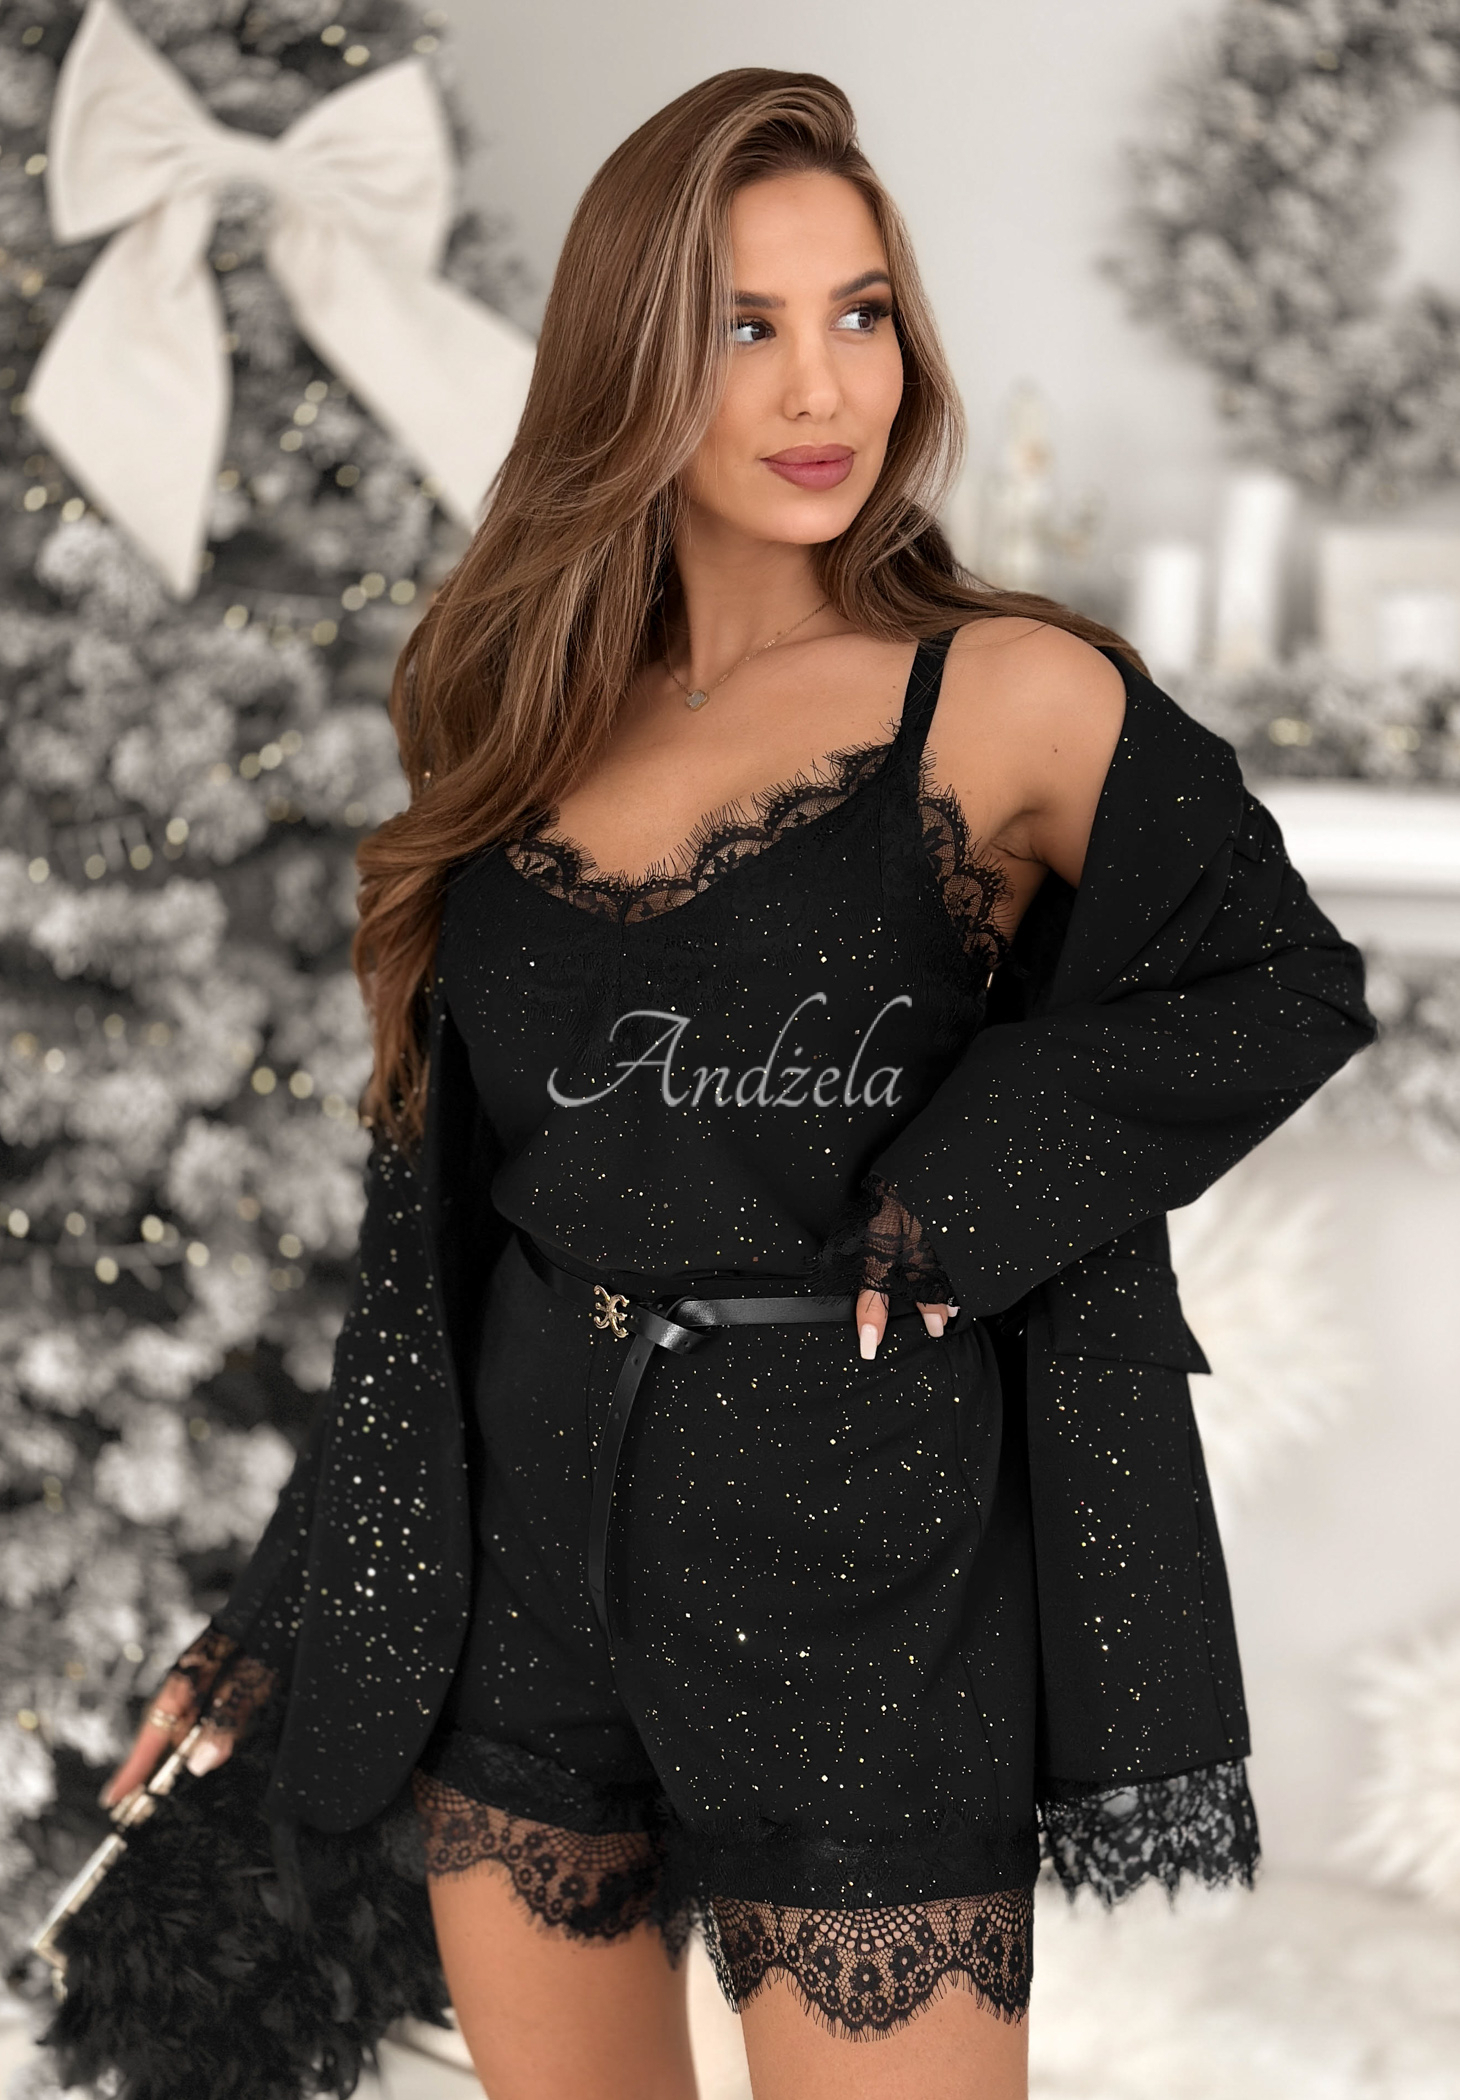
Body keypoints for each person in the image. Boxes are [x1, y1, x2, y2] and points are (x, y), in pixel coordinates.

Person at [87, 67, 1374, 2100]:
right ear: (628, 363)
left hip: (868, 1579)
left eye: (860, 313)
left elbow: (1283, 981)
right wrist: (287, 1604)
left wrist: (975, 1180)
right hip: (519, 1580)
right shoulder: (518, 715)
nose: (820, 387)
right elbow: (430, 1254)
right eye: (740, 326)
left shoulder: (1008, 696)